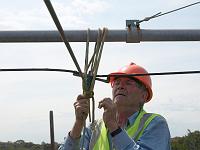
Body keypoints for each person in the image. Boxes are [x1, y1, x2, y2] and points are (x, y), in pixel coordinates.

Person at [59, 62, 171, 150]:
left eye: (128, 83)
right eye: (117, 83)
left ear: (144, 95)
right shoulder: (94, 128)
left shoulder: (155, 123)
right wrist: (78, 124)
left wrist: (113, 126)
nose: (120, 86)